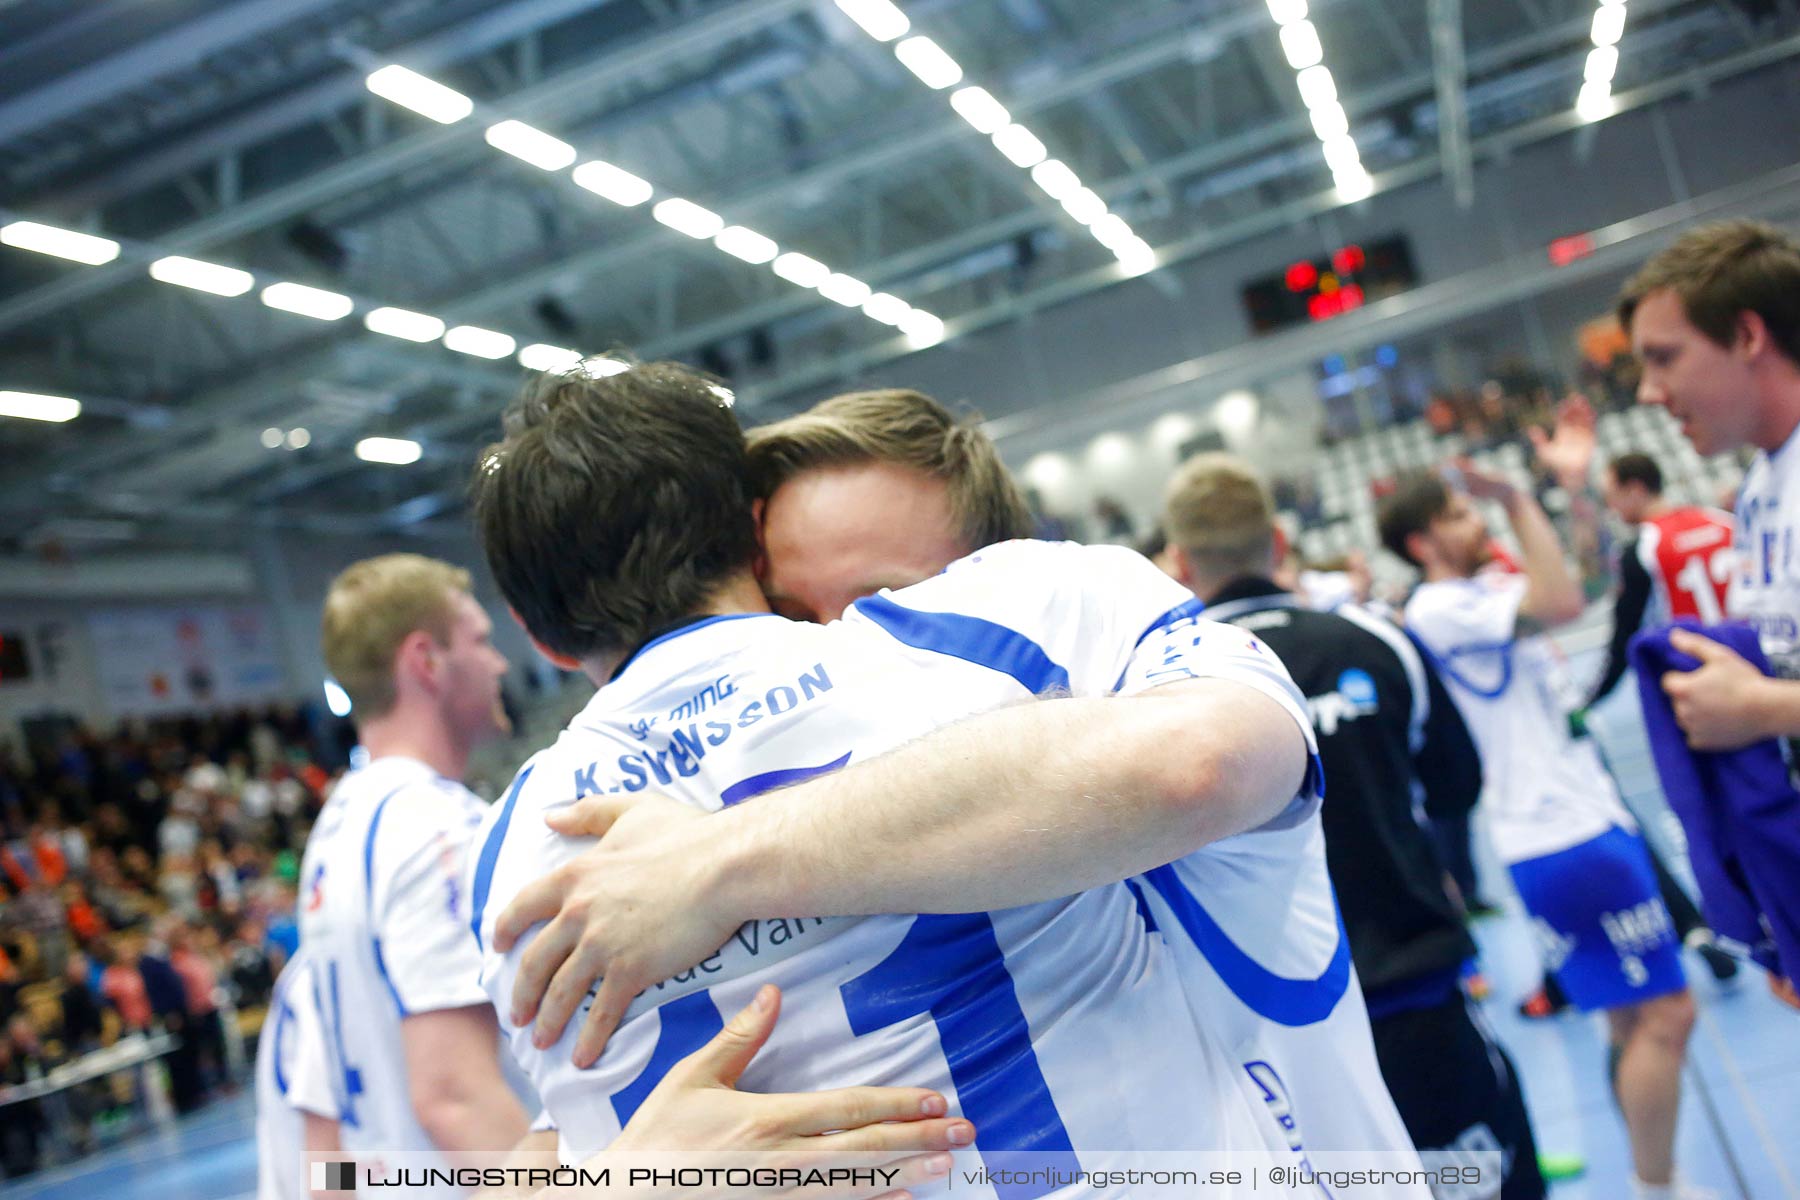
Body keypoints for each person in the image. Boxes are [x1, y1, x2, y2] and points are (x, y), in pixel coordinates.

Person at [490, 384, 1423, 1190]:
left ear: (995, 575)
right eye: (790, 612)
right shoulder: (629, 870)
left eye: (886, 601)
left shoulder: (1081, 665)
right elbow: (547, 1143)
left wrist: (723, 861)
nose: (836, 650)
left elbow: (1200, 761)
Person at [1161, 454, 1545, 1199]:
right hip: (1415, 993)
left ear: (1178, 561)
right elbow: (1456, 786)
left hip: (1269, 1041)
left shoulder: (1162, 689)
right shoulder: (1375, 641)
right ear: (1279, 540)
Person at [1378, 426, 1707, 1200]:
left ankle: (1655, 1176)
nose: (1478, 523)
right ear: (1423, 540)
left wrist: (1577, 487)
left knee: (1632, 1023)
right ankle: (1657, 1184)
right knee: (1669, 1014)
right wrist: (1522, 498)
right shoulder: (1440, 608)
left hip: (1579, 820)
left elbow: (1589, 585)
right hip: (1562, 834)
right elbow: (1560, 601)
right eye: (1460, 516)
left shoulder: (1480, 593)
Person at [296, 554, 530, 1189]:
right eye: (480, 640)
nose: (499, 662)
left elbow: (324, 1118)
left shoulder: (337, 827)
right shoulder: (434, 827)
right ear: (426, 660)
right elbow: (454, 1097)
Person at [1619, 219, 1800, 1010]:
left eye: (1664, 358)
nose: (1650, 393)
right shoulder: (1763, 490)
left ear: (1747, 334)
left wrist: (1762, 709)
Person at [1586, 453, 1735, 709]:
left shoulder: (1642, 549)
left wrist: (1592, 699)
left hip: (1694, 680)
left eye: (1611, 496)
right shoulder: (1722, 521)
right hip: (1751, 666)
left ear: (1634, 489)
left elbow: (1625, 634)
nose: (1611, 508)